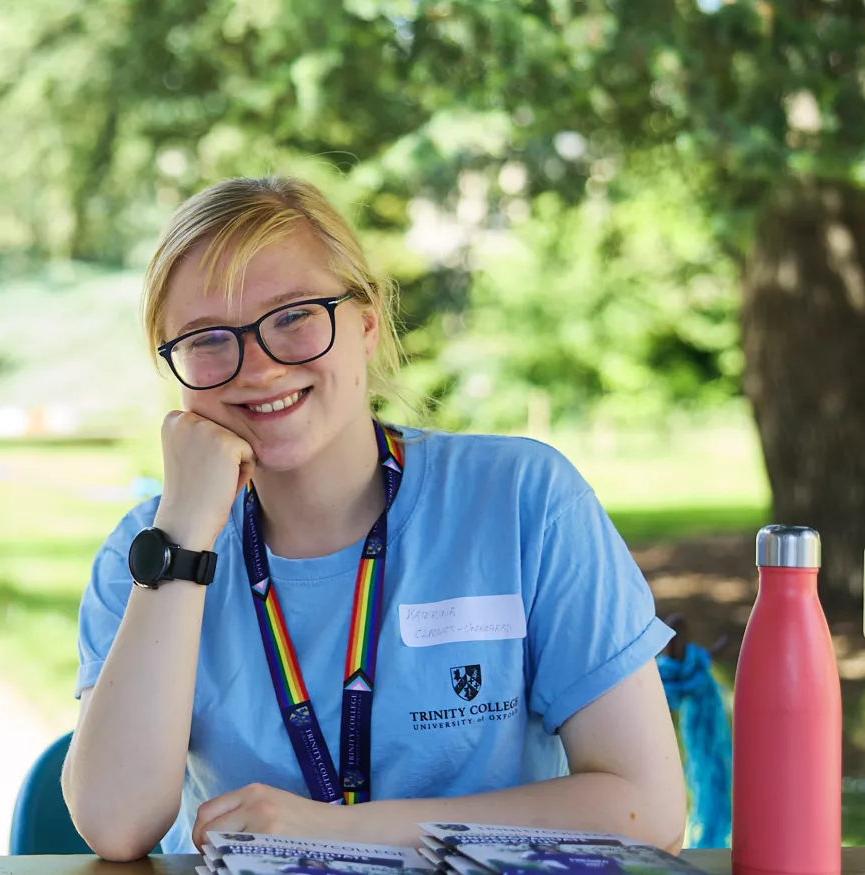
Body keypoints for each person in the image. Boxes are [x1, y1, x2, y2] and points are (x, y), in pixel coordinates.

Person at [62, 177, 685, 861]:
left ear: (364, 322)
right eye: (208, 338)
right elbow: (115, 823)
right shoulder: (147, 550)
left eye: (294, 315)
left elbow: (646, 805)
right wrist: (181, 537)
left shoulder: (522, 499)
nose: (259, 366)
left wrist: (336, 830)